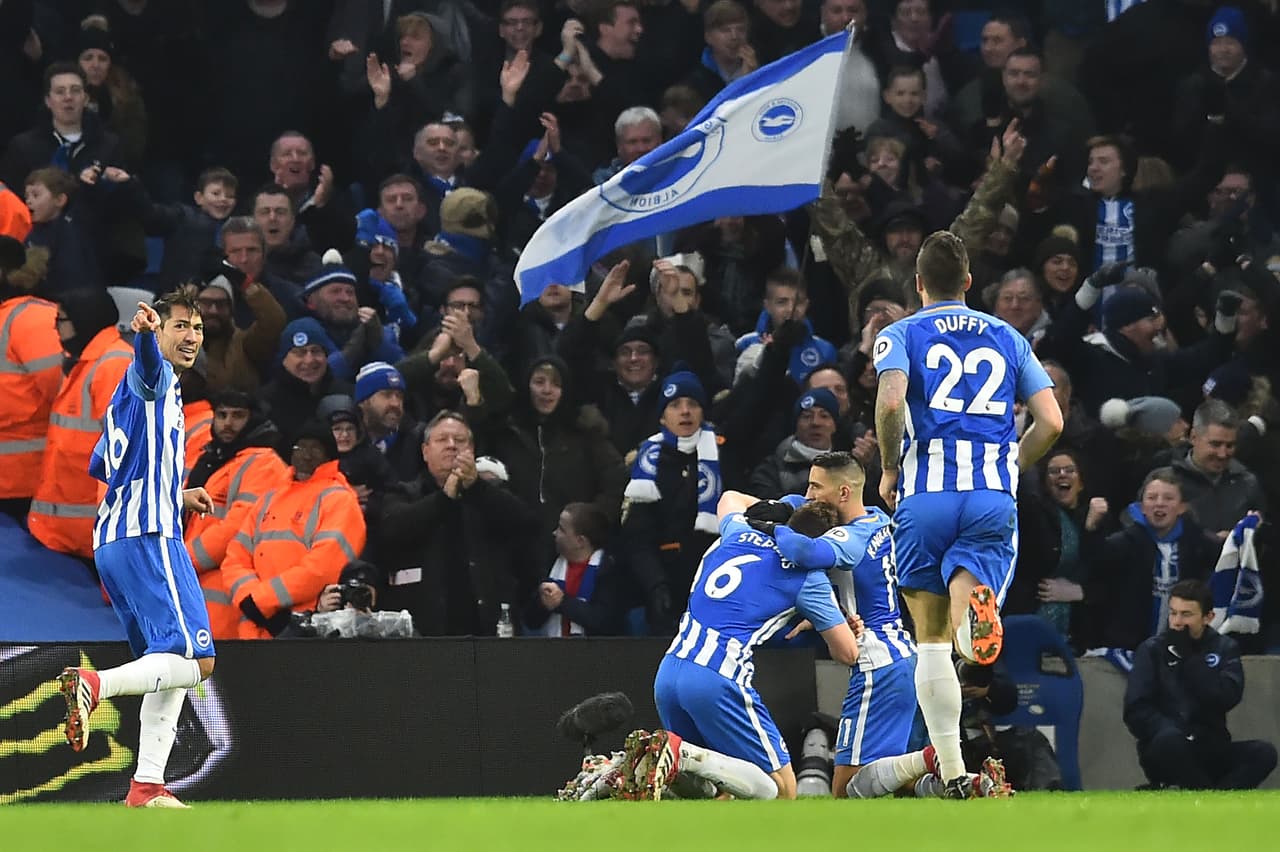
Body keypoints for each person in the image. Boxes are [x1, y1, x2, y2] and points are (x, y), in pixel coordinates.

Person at [873, 230, 1063, 798]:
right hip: (989, 494)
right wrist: (1011, 460)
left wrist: (888, 467)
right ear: (970, 282)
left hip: (924, 494)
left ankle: (953, 772)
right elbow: (1051, 421)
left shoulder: (900, 332)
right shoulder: (1008, 336)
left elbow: (888, 402)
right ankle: (970, 617)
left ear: (918, 284)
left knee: (925, 642)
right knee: (967, 595)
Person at [56, 292, 217, 809]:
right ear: (160, 331)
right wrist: (146, 338)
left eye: (198, 328)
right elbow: (149, 369)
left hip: (115, 540)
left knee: (165, 657)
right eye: (181, 326)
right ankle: (93, 683)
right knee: (199, 659)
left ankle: (147, 786)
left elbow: (106, 465)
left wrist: (176, 493)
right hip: (150, 537)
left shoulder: (125, 399)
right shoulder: (156, 379)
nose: (191, 336)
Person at [628, 494, 858, 800]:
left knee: (711, 793)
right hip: (717, 676)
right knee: (783, 790)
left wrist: (780, 506)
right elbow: (848, 653)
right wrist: (832, 622)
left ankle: (621, 770)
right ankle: (682, 756)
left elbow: (728, 498)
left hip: (670, 670)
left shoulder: (738, 532)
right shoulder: (809, 576)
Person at [751, 451, 917, 798]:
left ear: (843, 493)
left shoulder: (856, 535)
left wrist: (776, 527)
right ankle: (945, 779)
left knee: (846, 791)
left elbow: (807, 553)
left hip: (875, 660)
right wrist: (787, 506)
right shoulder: (876, 518)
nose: (808, 495)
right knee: (882, 782)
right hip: (896, 657)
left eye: (815, 487)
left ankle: (931, 763)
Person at [1124, 579, 1277, 790]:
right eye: (1173, 613)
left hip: (1210, 744)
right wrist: (1173, 729)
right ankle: (1208, 799)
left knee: (1264, 753)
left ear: (1208, 617)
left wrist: (1190, 660)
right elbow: (1135, 709)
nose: (1177, 621)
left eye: (1186, 614)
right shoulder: (1151, 650)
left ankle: (1212, 797)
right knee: (1170, 742)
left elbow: (1228, 695)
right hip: (1167, 746)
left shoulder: (1225, 648)